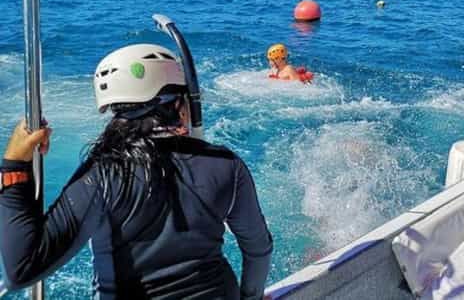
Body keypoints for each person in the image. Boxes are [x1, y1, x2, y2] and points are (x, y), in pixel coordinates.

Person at [0, 44, 273, 299]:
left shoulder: (101, 175)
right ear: (178, 106)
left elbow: (22, 270)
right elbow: (258, 248)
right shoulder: (227, 164)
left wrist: (15, 164)